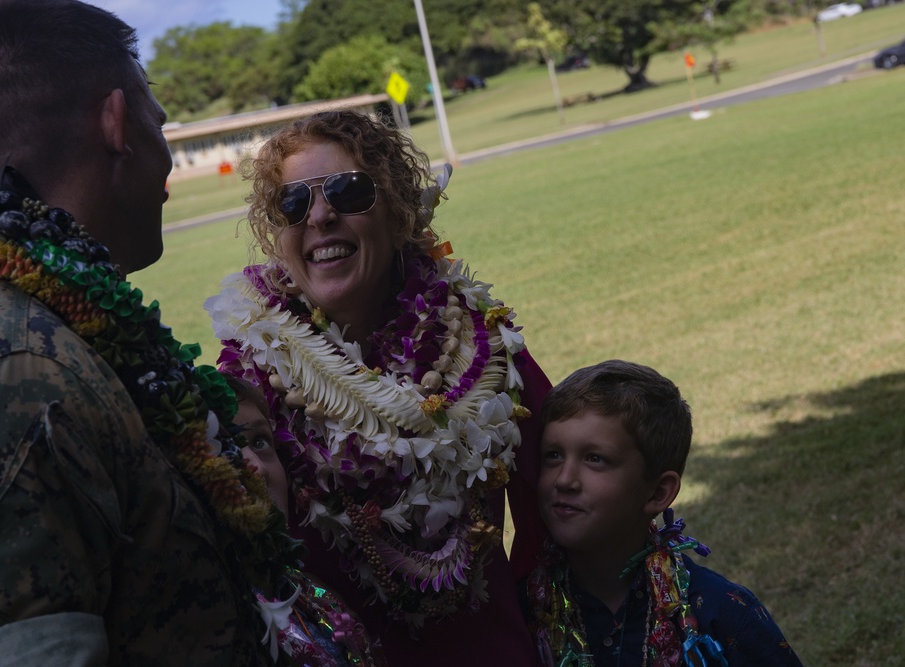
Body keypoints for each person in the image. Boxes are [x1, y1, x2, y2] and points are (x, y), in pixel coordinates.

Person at [0, 1, 296, 665]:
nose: (167, 154)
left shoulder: (46, 330)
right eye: (160, 122)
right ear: (118, 123)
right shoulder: (10, 369)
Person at [205, 110, 551, 666]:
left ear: (398, 215)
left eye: (349, 191)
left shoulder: (483, 347)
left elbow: (552, 512)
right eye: (292, 202)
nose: (319, 214)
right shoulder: (246, 385)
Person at [525, 360, 803, 666]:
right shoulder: (522, 612)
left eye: (594, 458)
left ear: (658, 493)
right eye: (553, 455)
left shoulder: (720, 613)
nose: (564, 479)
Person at [228, 378, 386, 666]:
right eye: (225, 448)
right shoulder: (204, 620)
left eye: (260, 442)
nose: (258, 469)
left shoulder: (307, 590)